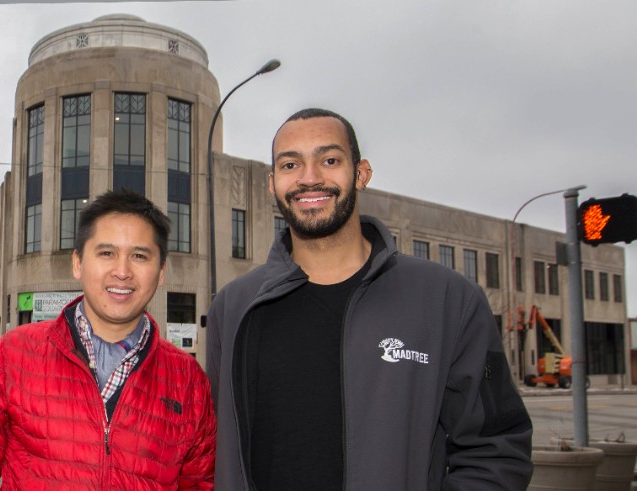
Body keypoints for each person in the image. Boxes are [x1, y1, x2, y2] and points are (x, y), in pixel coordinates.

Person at [206, 108, 533, 490]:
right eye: (291, 164)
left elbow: (496, 449)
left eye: (329, 160)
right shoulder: (233, 307)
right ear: (272, 182)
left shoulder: (448, 300)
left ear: (361, 174)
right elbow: (212, 451)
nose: (310, 178)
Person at [0, 190, 216, 490]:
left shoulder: (189, 381)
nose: (122, 271)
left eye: (139, 256)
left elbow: (202, 484)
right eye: (106, 253)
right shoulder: (15, 355)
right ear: (78, 263)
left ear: (160, 272)